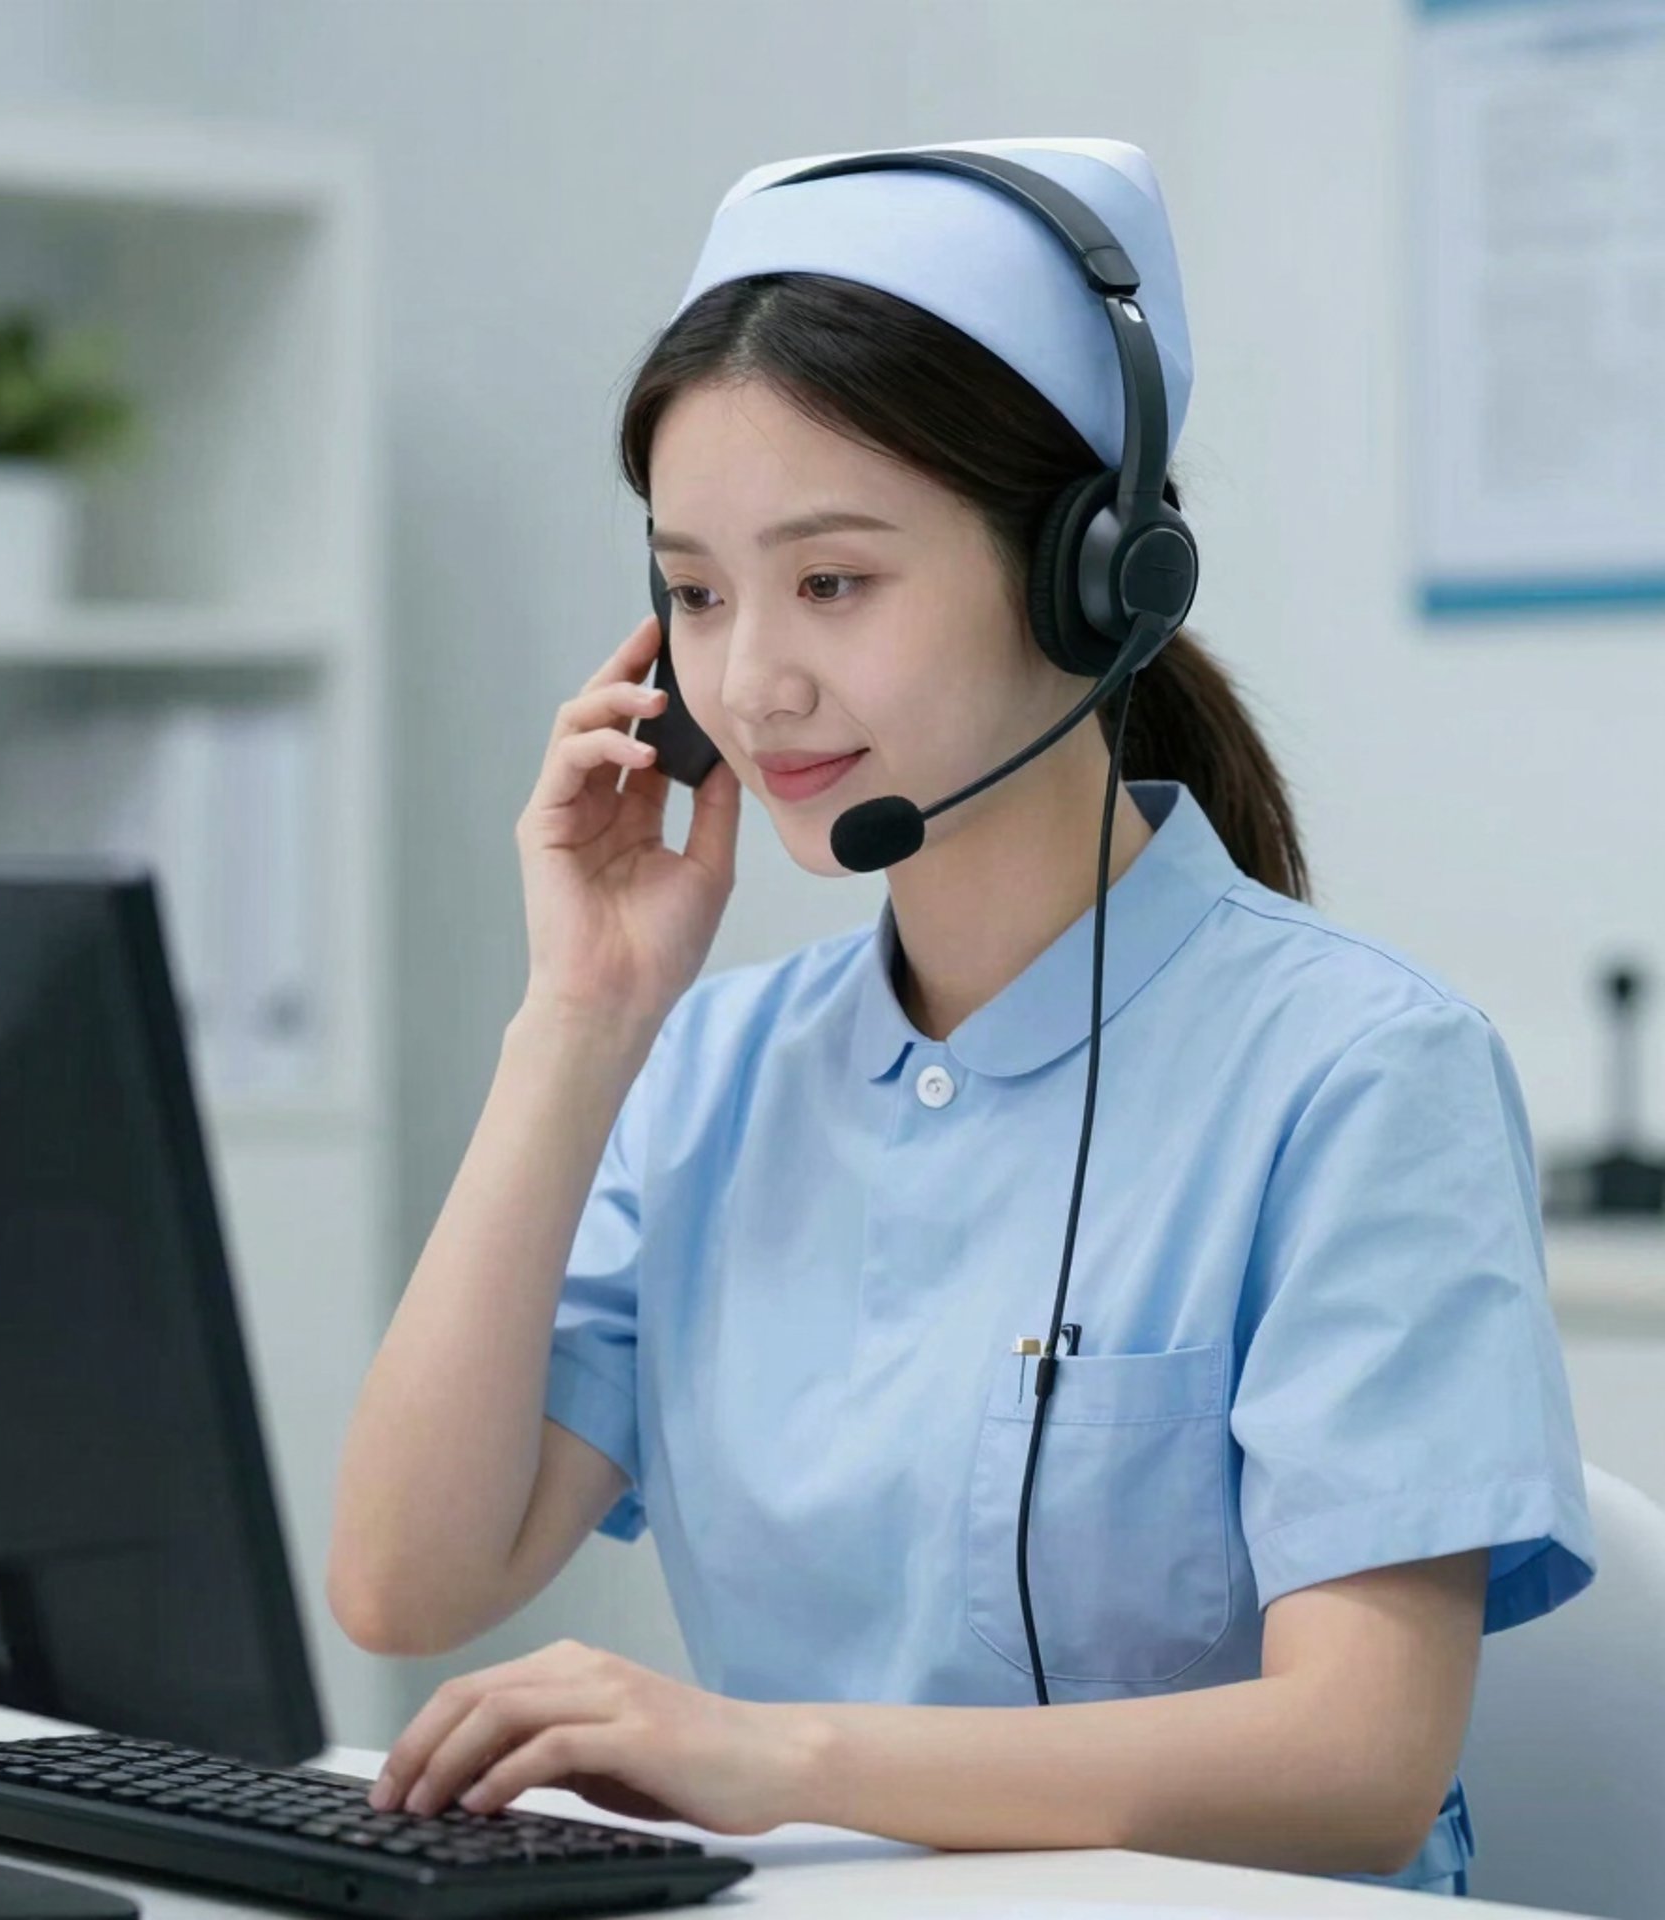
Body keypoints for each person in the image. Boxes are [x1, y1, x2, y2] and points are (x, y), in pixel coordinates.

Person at [327, 137, 1595, 1900]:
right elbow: (407, 1579)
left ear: (1095, 576)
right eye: (696, 592)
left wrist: (776, 1755)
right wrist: (578, 1014)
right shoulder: (707, 1073)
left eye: (833, 581)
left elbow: (1359, 1761)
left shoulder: (1361, 1075)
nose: (752, 680)